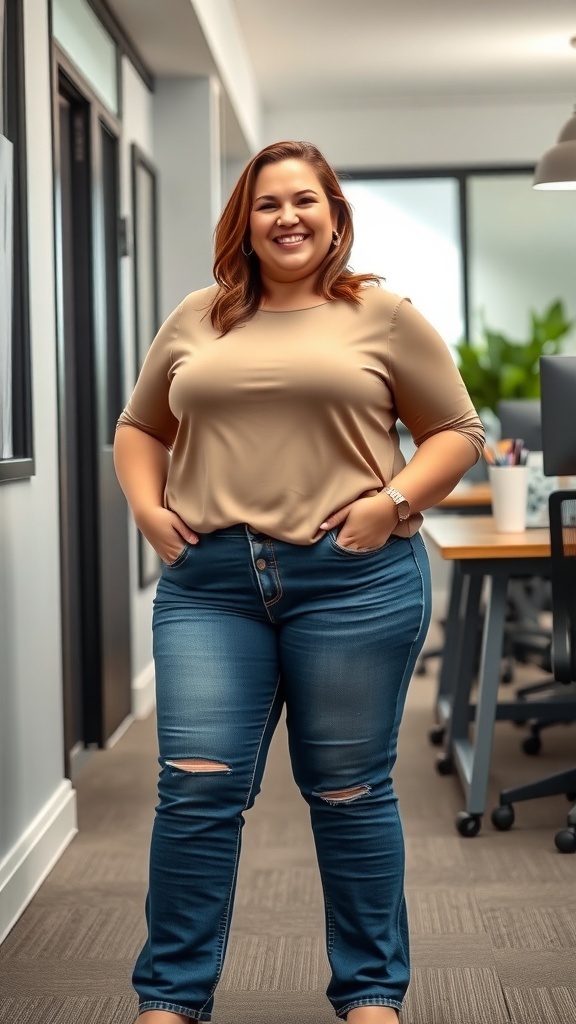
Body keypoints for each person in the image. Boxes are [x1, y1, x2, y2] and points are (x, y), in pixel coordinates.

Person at [114, 139, 485, 1024]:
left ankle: (370, 995)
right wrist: (146, 509)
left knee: (349, 791)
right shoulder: (198, 317)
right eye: (268, 202)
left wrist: (392, 503)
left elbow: (457, 432)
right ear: (244, 221)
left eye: (304, 200)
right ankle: (170, 999)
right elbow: (140, 427)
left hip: (353, 579)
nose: (287, 217)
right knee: (197, 788)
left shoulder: (383, 316)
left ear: (333, 215)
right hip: (211, 584)